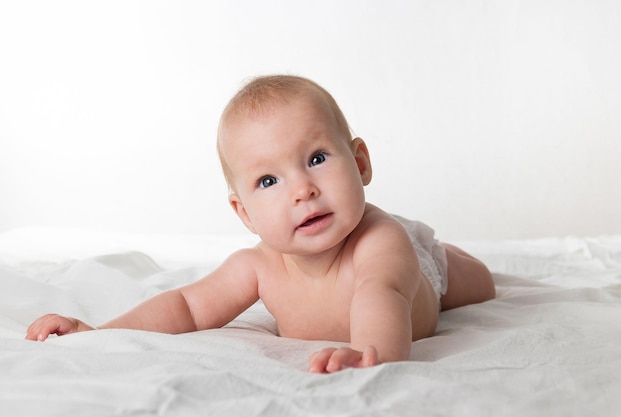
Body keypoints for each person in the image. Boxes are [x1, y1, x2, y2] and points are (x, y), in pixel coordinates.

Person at [25, 75, 495, 373]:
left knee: (479, 283)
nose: (302, 189)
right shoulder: (258, 266)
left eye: (316, 158)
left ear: (360, 163)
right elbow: (187, 306)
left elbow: (381, 298)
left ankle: (449, 255)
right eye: (268, 179)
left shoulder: (380, 242)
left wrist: (371, 355)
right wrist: (101, 333)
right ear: (245, 213)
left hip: (422, 275)